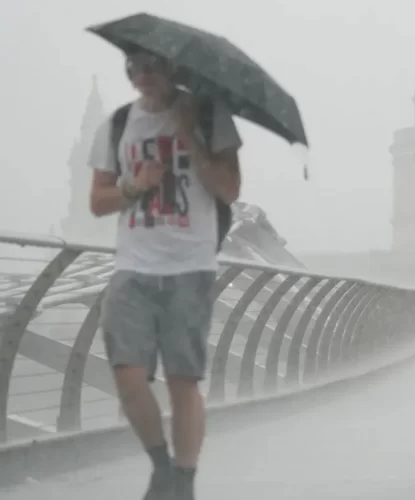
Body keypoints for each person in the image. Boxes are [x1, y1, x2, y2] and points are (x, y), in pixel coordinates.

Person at [89, 50, 242, 500]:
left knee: (183, 380)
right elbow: (98, 201)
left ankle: (184, 481)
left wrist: (190, 138)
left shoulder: (210, 116)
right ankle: (161, 464)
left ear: (175, 69)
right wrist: (136, 184)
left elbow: (231, 190)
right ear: (129, 73)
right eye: (136, 67)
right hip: (133, 266)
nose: (144, 75)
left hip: (190, 267)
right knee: (128, 376)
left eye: (154, 66)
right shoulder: (118, 124)